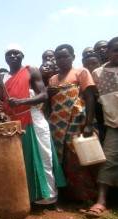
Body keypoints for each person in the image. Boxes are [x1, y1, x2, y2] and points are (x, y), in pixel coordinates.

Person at [0, 44, 66, 207]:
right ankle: (29, 197)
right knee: (22, 160)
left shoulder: (31, 70)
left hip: (33, 118)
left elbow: (43, 95)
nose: (13, 56)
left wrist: (22, 101)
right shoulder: (3, 78)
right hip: (13, 122)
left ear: (22, 55)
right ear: (5, 59)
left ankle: (50, 197)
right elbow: (0, 101)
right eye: (9, 54)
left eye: (16, 53)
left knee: (44, 156)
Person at [48, 44, 97, 201]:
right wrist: (48, 93)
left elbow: (90, 97)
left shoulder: (81, 72)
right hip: (57, 126)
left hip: (76, 121)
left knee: (77, 157)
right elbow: (51, 103)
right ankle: (68, 196)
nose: (62, 60)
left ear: (73, 57)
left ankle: (86, 196)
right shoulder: (52, 79)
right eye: (59, 58)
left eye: (65, 57)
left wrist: (89, 124)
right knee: (61, 159)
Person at [82, 36, 118, 217]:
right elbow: (94, 102)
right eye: (115, 50)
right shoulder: (97, 74)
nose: (117, 54)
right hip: (113, 125)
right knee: (108, 161)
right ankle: (101, 202)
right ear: (108, 52)